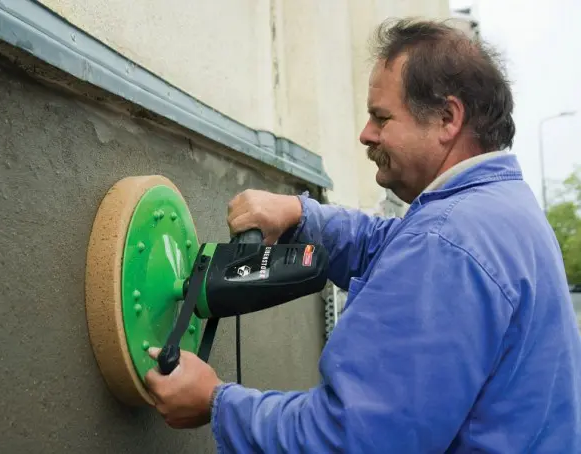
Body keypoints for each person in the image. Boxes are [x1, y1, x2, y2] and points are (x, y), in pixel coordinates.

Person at [145, 18, 581, 452]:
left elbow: (351, 439)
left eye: (381, 118)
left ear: (447, 118)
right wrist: (300, 215)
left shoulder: (447, 243)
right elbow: (390, 244)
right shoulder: (502, 210)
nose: (365, 134)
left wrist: (217, 404)